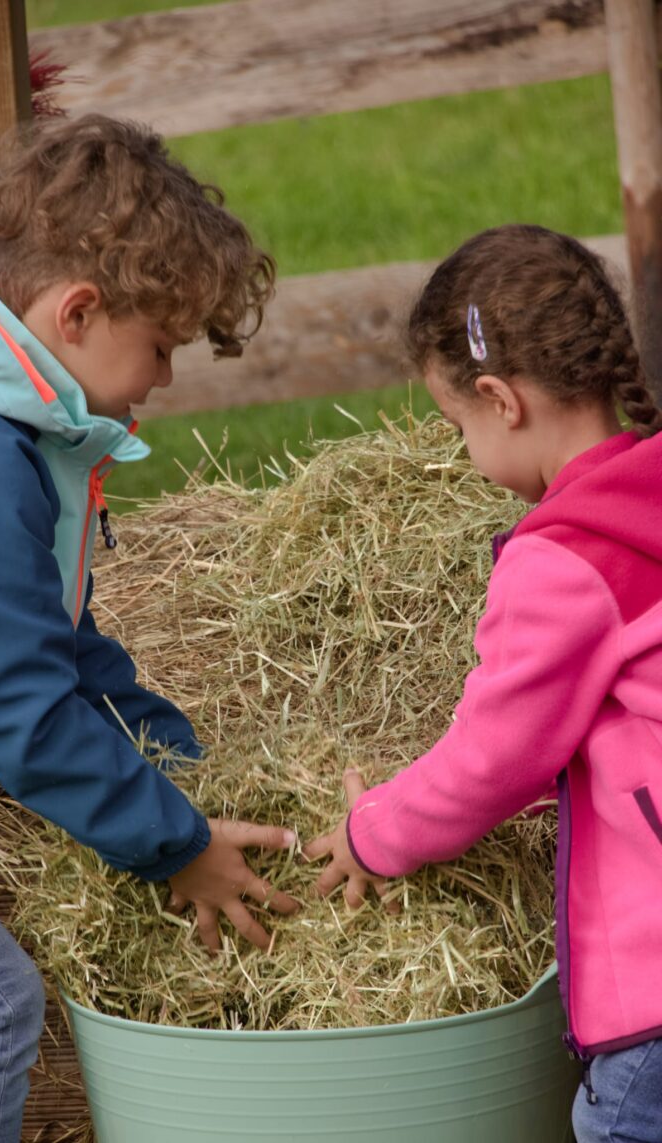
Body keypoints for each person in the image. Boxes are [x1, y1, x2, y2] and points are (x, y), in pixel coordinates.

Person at [0, 113, 297, 1143]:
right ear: (77, 312)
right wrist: (178, 845)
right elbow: (22, 718)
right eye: (158, 347)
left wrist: (184, 768)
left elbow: (58, 646)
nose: (163, 378)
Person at [306, 224, 662, 1143]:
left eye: (456, 425)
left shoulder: (564, 560)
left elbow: (490, 763)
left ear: (501, 400)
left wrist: (373, 832)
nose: (463, 451)